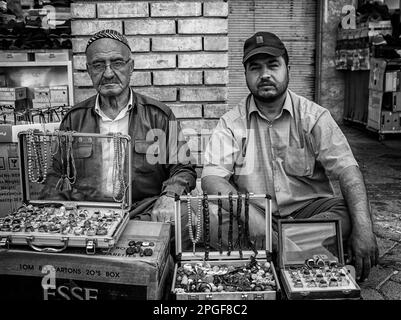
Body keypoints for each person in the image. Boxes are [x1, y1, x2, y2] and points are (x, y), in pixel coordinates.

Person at [201, 31, 378, 281]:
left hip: (308, 212)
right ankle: (306, 252)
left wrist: (365, 229)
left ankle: (271, 253)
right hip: (256, 213)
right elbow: (211, 178)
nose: (264, 75)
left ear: (287, 68)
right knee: (207, 216)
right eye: (255, 68)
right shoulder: (231, 123)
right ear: (246, 75)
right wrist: (252, 216)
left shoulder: (314, 116)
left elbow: (348, 171)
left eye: (273, 65)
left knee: (354, 213)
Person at [55, 29, 196, 223]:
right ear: (88, 70)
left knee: (186, 218)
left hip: (143, 212)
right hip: (86, 214)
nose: (108, 73)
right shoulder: (74, 119)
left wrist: (169, 196)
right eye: (98, 65)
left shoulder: (158, 115)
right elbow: (55, 175)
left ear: (131, 67)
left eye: (117, 63)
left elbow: (183, 168)